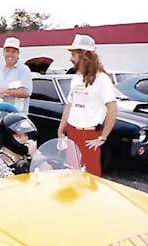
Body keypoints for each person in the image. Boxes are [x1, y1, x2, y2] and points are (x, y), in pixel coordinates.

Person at [57, 34, 117, 177]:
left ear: (84, 55)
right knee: (72, 173)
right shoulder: (76, 77)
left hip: (89, 135)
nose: (71, 59)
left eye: (73, 54)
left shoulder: (102, 79)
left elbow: (113, 110)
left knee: (91, 177)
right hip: (72, 132)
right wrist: (61, 130)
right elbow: (69, 105)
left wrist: (102, 138)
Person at [0, 113, 38, 181]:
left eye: (26, 135)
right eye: (18, 136)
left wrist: (35, 156)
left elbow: (49, 174)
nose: (24, 139)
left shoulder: (31, 152)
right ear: (8, 137)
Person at [0, 37, 33, 114]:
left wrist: (2, 91)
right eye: (7, 51)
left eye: (13, 52)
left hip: (16, 118)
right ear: (3, 53)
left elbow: (26, 92)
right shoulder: (1, 70)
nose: (10, 54)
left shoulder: (23, 69)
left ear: (18, 54)